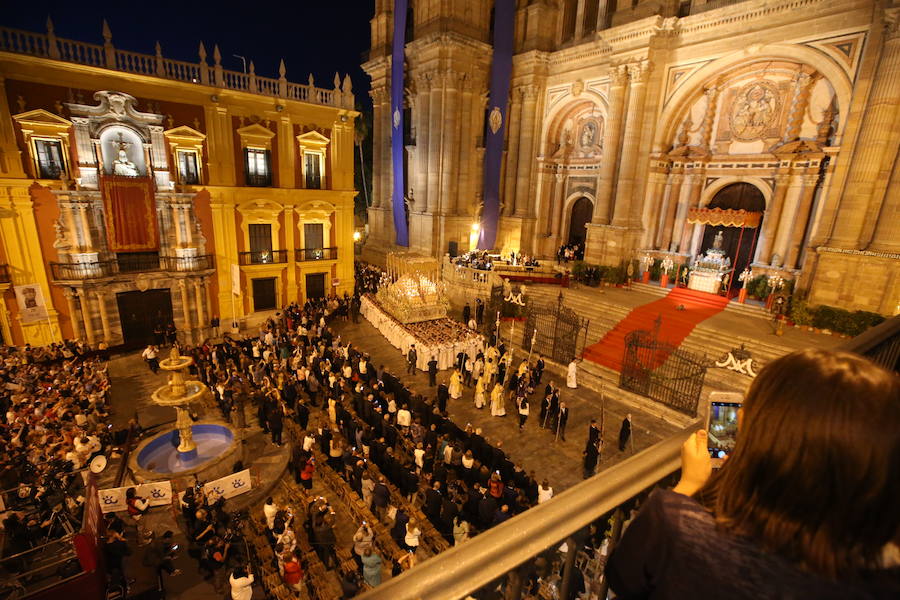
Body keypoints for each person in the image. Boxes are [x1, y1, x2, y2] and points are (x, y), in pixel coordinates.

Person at [605, 349, 900, 599]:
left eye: (749, 408)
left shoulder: (674, 524)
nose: (739, 417)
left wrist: (690, 484)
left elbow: (620, 576)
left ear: (767, 444)